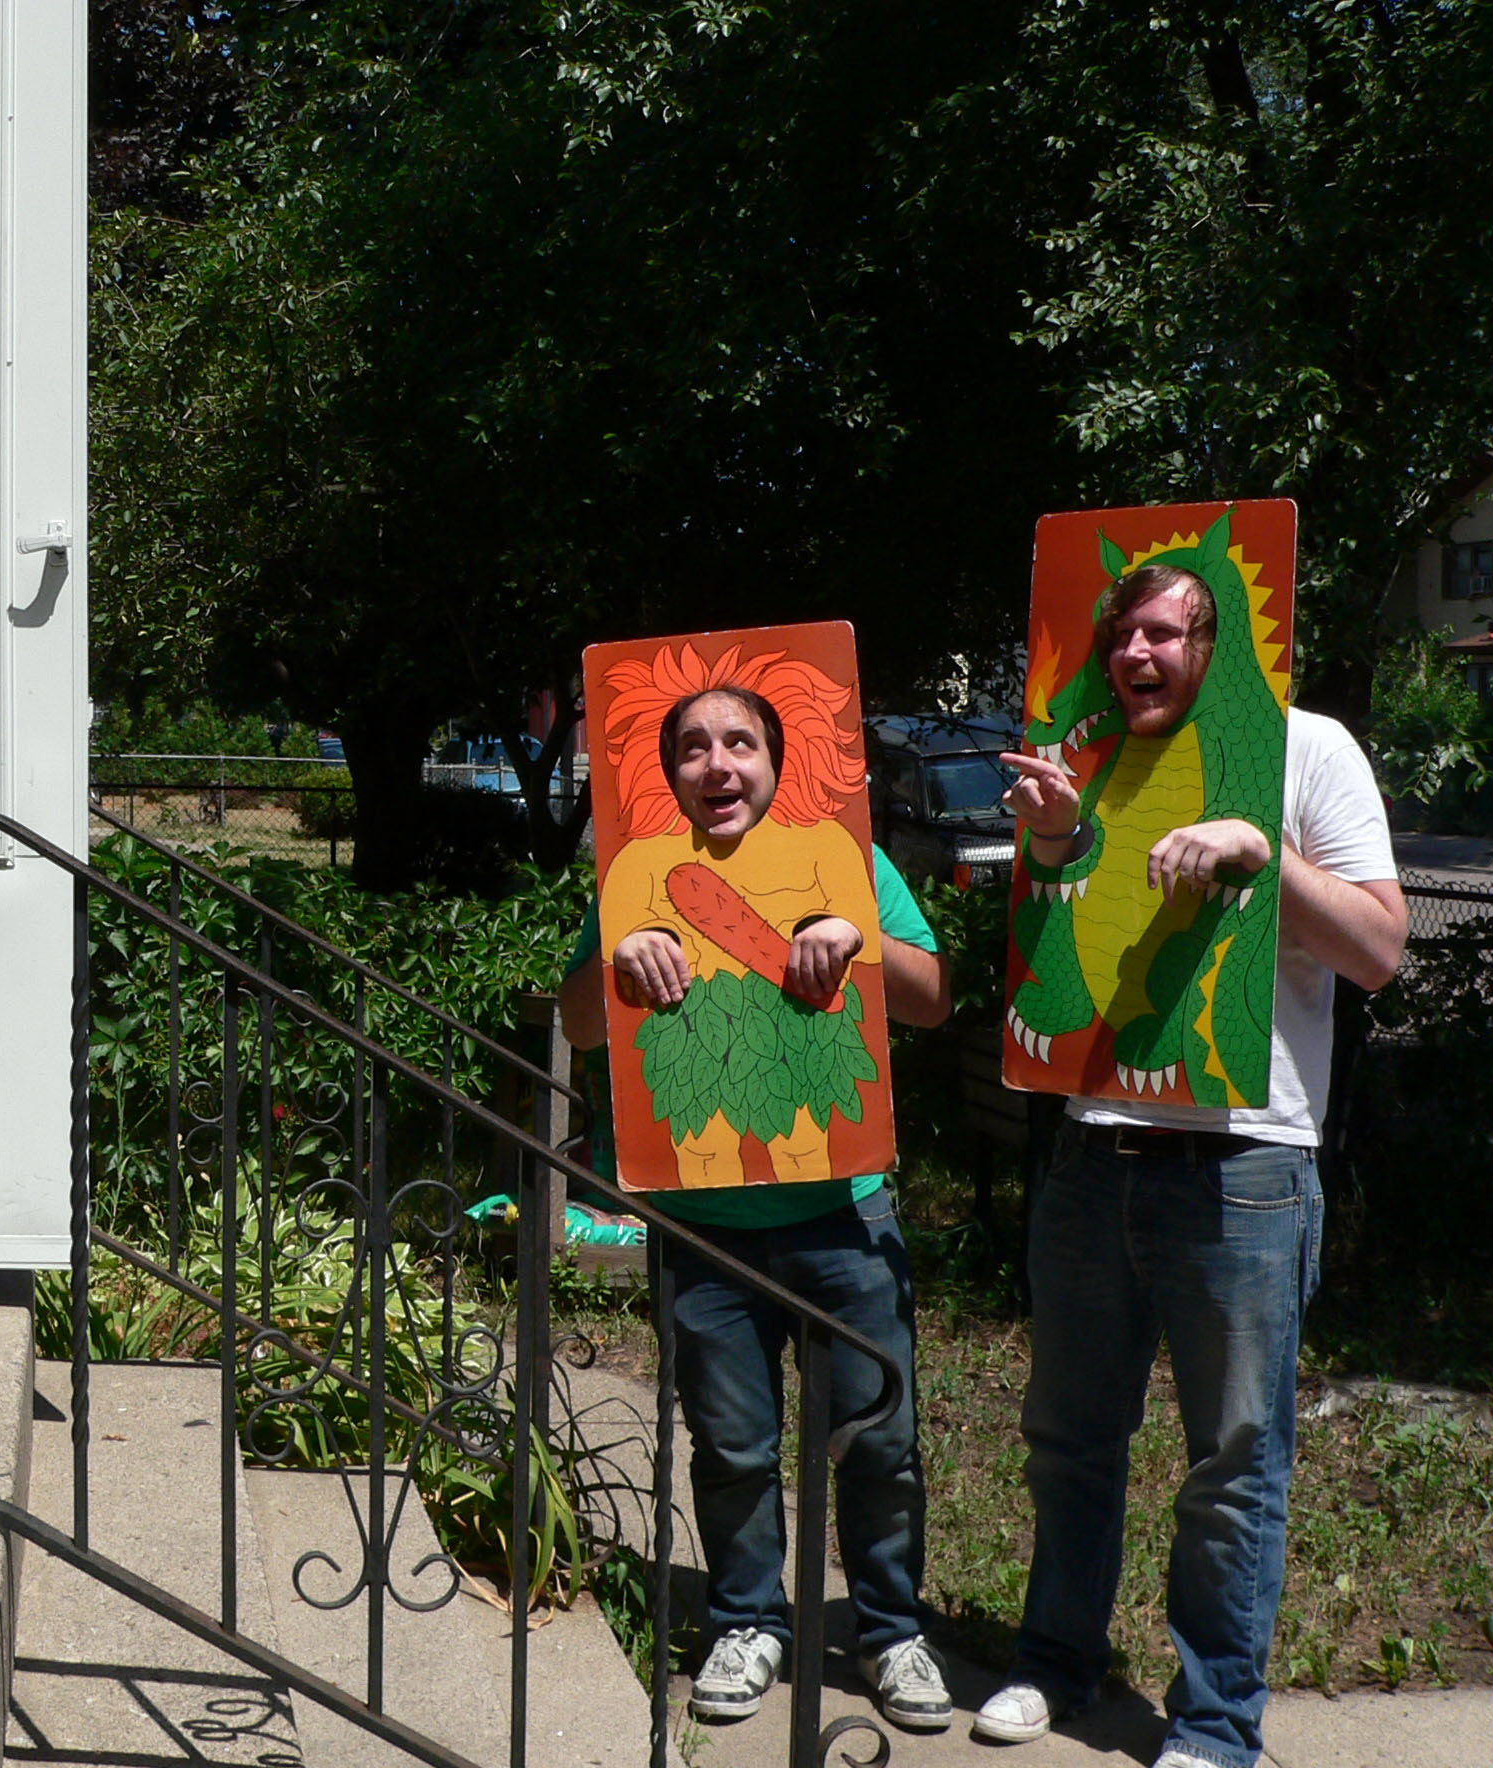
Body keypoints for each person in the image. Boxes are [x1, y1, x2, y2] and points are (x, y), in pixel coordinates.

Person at [976, 564, 1405, 1768]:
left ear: (1219, 644)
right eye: (1122, 632)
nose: (1137, 652)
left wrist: (1262, 849)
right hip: (1093, 1150)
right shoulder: (1078, 756)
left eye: (1166, 631)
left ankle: (1216, 1724)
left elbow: (1377, 951)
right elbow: (1058, 948)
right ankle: (1055, 1663)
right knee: (1067, 1438)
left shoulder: (1308, 748)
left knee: (1232, 1463)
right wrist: (1053, 838)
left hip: (1247, 1167)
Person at [560, 685, 959, 1732]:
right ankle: (747, 1622)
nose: (718, 763)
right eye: (693, 747)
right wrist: (616, 961)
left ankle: (889, 1631)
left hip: (845, 1218)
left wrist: (856, 937)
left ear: (776, 764)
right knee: (731, 1447)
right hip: (706, 1231)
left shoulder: (848, 863)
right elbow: (580, 1026)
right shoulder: (635, 874)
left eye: (740, 741)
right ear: (670, 774)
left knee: (876, 1442)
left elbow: (932, 999)